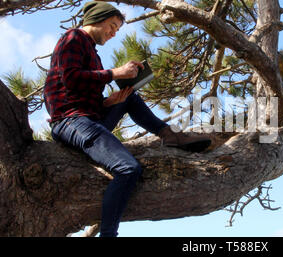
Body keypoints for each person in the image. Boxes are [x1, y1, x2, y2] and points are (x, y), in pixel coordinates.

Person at [43, 1, 211, 237]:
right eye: (112, 26)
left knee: (130, 97)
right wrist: (115, 73)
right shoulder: (73, 38)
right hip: (70, 122)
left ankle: (169, 135)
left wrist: (108, 102)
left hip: (90, 118)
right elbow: (70, 78)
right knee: (128, 169)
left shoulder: (93, 52)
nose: (113, 33)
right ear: (97, 19)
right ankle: (108, 234)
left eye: (117, 29)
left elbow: (83, 93)